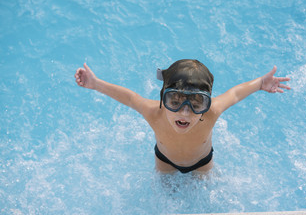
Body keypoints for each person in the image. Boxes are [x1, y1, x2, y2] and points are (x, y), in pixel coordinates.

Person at [74, 59, 291, 174]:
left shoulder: (212, 112)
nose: (185, 112)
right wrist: (96, 84)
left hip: (202, 163)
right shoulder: (154, 113)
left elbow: (234, 94)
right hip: (165, 161)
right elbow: (131, 98)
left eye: (196, 104)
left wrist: (260, 84)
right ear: (162, 99)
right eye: (175, 102)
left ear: (206, 104)